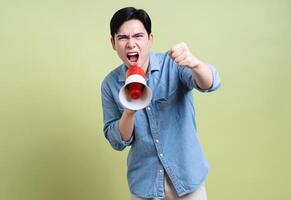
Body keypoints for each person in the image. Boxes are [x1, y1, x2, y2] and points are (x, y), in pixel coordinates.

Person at [101, 7, 221, 200]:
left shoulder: (173, 64)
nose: (131, 44)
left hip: (187, 179)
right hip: (145, 186)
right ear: (113, 43)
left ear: (150, 39)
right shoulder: (110, 84)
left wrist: (194, 63)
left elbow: (210, 83)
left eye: (138, 36)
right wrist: (129, 112)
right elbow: (116, 141)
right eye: (123, 38)